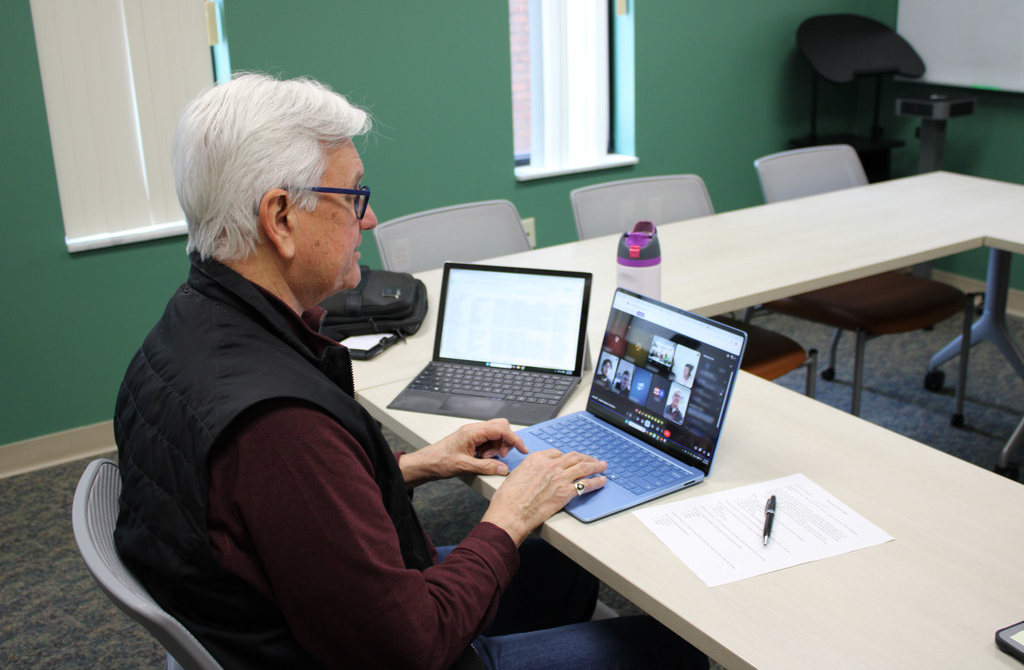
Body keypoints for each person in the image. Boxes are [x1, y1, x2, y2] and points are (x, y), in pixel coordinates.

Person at [113, 72, 708, 669]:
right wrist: (507, 517)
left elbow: (284, 514)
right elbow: (412, 645)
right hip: (396, 650)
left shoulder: (184, 331)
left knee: (564, 574)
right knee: (677, 651)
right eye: (354, 198)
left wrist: (410, 466)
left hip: (281, 626)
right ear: (281, 219)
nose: (369, 221)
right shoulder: (278, 426)